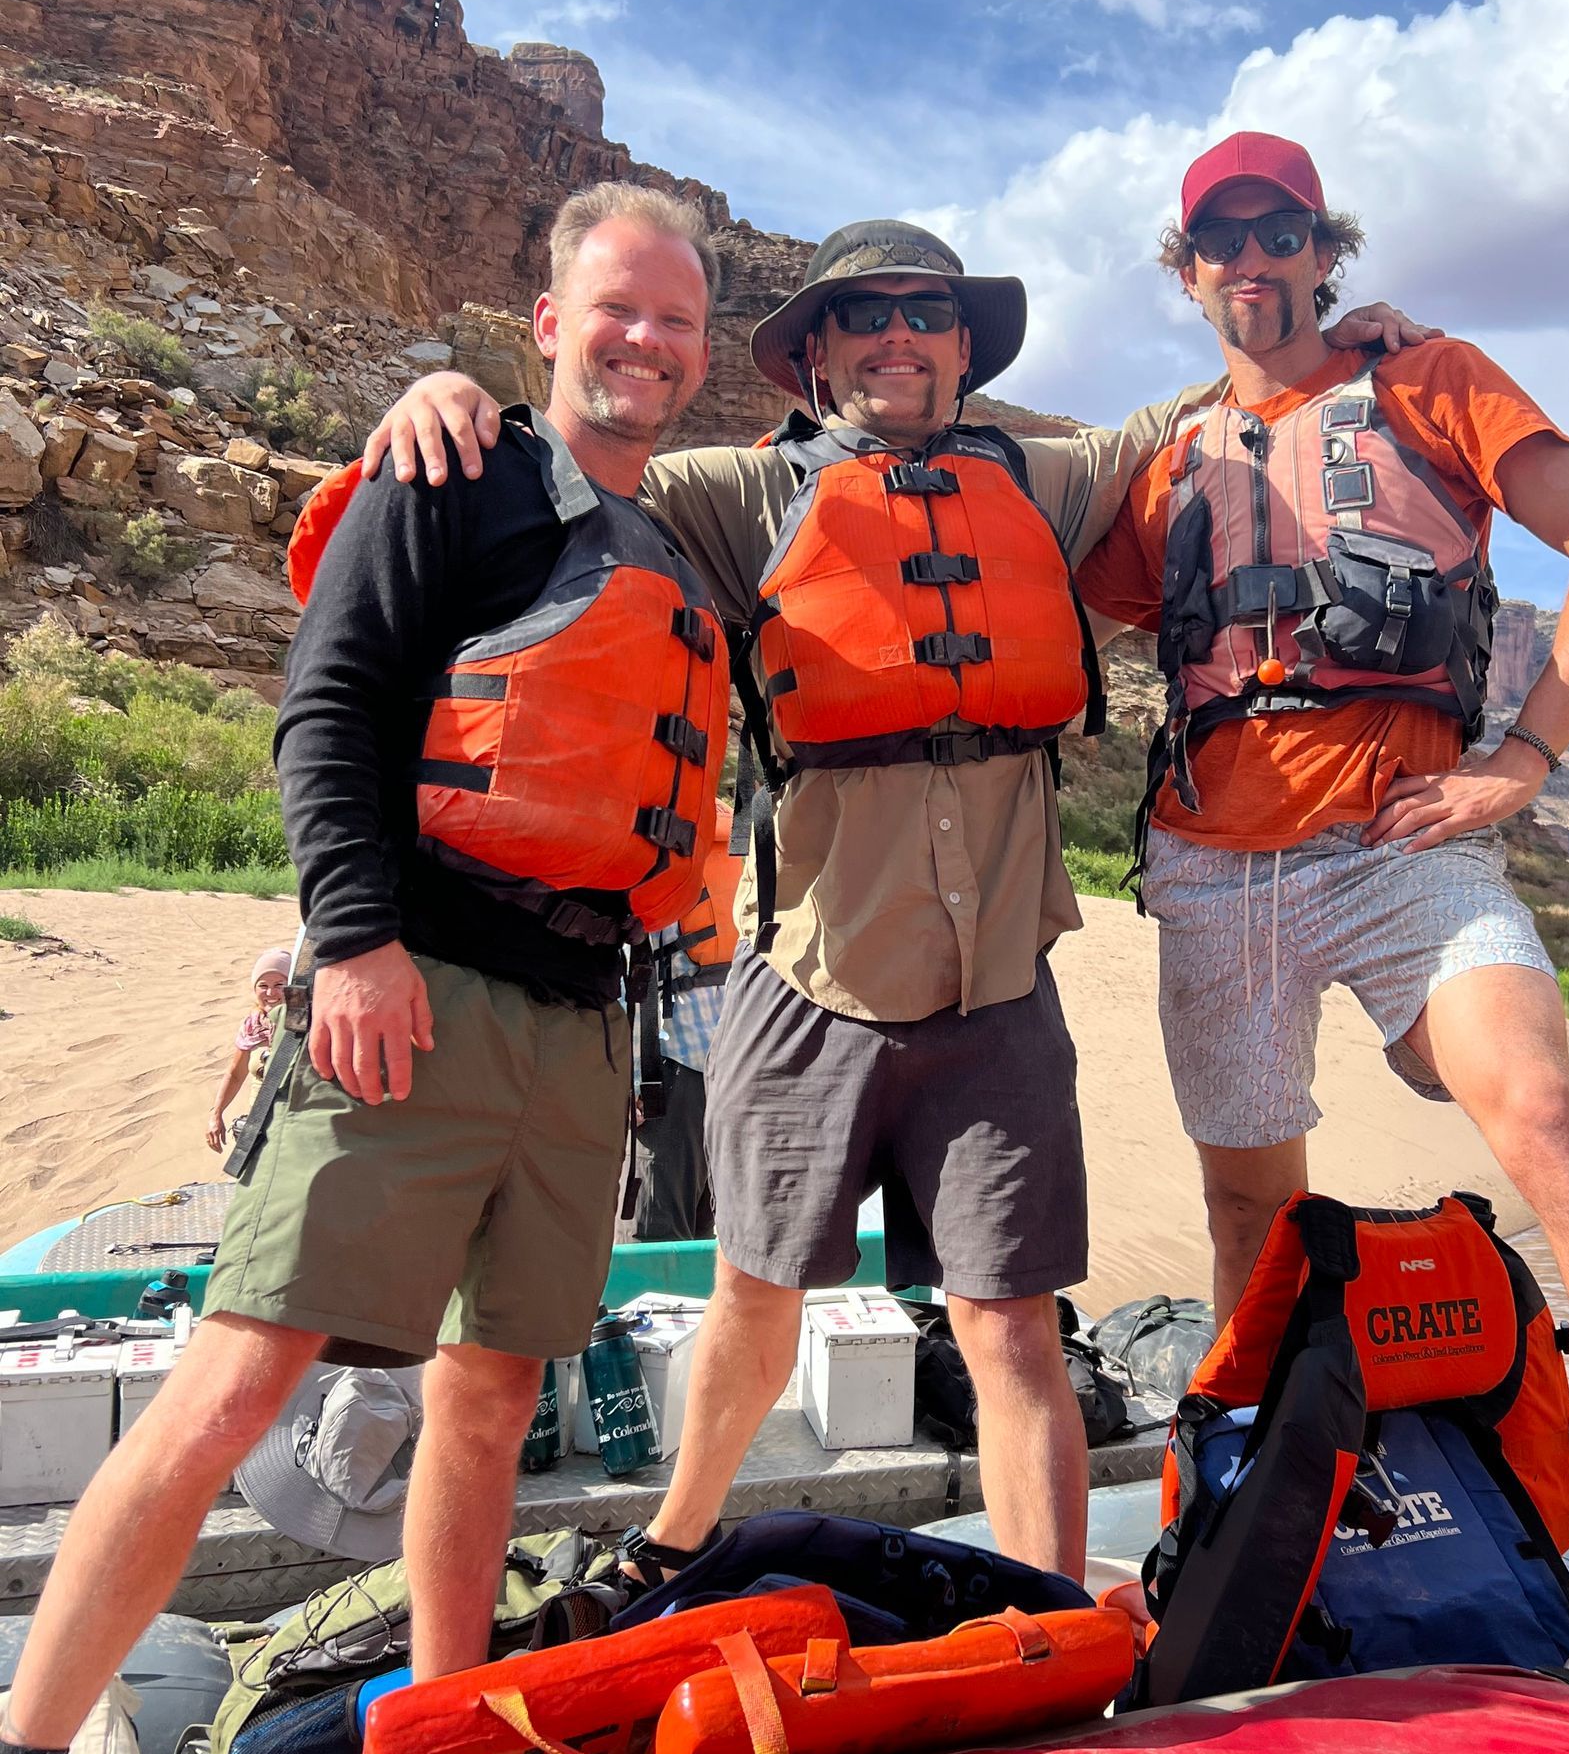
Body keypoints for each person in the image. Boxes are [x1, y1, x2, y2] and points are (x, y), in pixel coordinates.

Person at [360, 221, 1430, 1589]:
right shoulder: (739, 498)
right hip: (811, 984)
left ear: (965, 347)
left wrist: (1337, 351)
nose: (897, 338)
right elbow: (578, 458)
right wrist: (460, 400)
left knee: (1013, 1332)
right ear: (813, 357)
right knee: (753, 1302)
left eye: (926, 314)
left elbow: (1200, 409)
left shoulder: (1042, 482)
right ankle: (672, 1545)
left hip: (1000, 999)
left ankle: (1046, 1615)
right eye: (862, 318)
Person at [0, 184, 727, 1754]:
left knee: (488, 1404)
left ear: (703, 358)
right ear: (545, 323)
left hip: (576, 1031)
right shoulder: (457, 469)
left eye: (677, 324)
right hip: (408, 995)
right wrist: (351, 941)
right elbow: (327, 703)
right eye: (613, 311)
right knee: (236, 1381)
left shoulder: (679, 543)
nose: (643, 344)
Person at [1074, 128, 1569, 1754]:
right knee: (1252, 1225)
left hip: (1406, 846)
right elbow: (1034, 579)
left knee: (1547, 1117)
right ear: (1183, 271)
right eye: (1218, 241)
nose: (1249, 262)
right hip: (1212, 874)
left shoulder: (1433, 379)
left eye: (1278, 232)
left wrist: (1531, 757)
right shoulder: (1155, 462)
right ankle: (1242, 1554)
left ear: (1320, 249)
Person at [626, 807, 742, 1242]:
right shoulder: (731, 839)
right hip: (734, 1061)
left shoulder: (654, 857)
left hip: (670, 1066)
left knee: (660, 1229)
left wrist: (634, 1080)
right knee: (713, 1228)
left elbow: (633, 980)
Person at [205, 945, 293, 1153]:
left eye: (280, 984)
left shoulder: (307, 1024)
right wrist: (216, 1114)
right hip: (260, 1124)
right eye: (263, 985)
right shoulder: (252, 1025)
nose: (271, 993)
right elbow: (235, 1074)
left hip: (294, 1126)